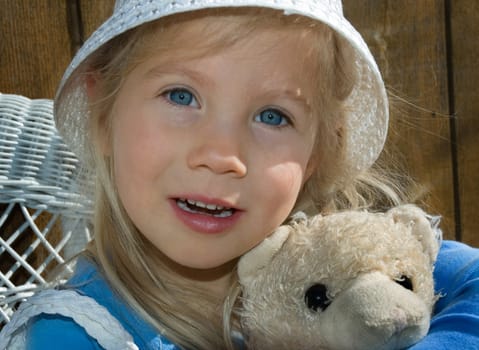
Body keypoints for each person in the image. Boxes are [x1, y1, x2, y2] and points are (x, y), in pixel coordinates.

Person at [1, 0, 478, 349]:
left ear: (315, 153)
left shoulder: (338, 266)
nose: (222, 154)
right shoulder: (75, 336)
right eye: (181, 96)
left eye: (273, 116)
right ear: (103, 115)